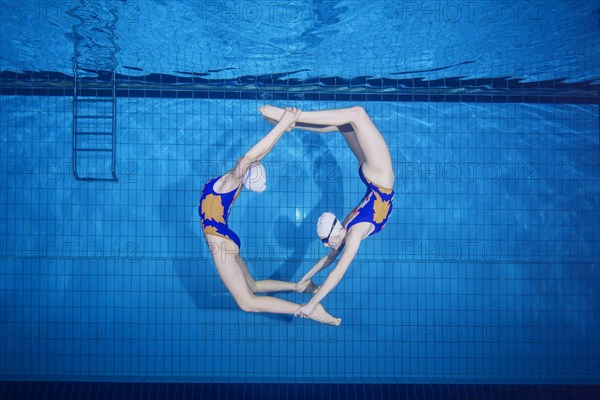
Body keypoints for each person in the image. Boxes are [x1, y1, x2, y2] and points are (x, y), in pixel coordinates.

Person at [199, 107, 341, 326]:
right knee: (253, 287)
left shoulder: (228, 183)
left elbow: (250, 156)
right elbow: (254, 157)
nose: (251, 160)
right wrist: (280, 128)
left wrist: (284, 124)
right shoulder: (231, 182)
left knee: (247, 303)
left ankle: (309, 310)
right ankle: (299, 287)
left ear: (243, 174)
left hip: (220, 243)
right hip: (226, 239)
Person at [259, 105, 395, 319]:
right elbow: (336, 269)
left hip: (375, 177)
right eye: (324, 240)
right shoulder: (353, 233)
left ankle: (290, 121)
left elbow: (331, 262)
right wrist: (311, 299)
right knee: (355, 115)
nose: (324, 245)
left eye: (325, 240)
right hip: (379, 175)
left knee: (352, 119)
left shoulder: (349, 230)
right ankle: (292, 121)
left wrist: (307, 288)